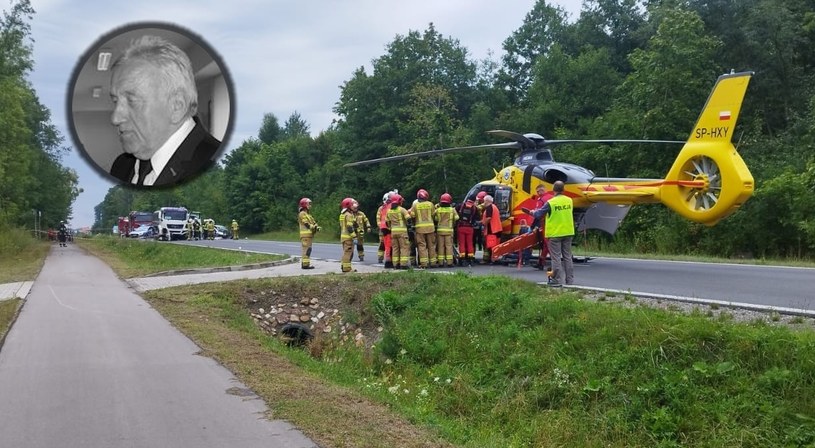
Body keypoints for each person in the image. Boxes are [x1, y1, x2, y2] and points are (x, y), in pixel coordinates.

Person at [108, 35, 221, 187]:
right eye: (115, 101)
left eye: (132, 100)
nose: (115, 118)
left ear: (177, 106)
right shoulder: (121, 166)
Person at [533, 180, 575, 286]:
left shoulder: (551, 202)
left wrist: (533, 212)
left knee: (555, 257)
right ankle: (569, 280)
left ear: (553, 190)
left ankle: (556, 280)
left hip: (555, 233)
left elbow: (538, 214)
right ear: (563, 190)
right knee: (567, 257)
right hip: (568, 231)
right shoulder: (569, 200)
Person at [409, 189, 436, 269]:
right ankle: (433, 262)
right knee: (431, 245)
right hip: (430, 228)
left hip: (420, 229)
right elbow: (433, 215)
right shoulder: (431, 204)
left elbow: (412, 216)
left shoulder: (415, 206)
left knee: (422, 246)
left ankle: (424, 264)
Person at [385, 193, 411, 270]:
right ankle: (403, 264)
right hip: (402, 232)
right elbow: (408, 219)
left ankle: (396, 264)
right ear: (399, 201)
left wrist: (391, 228)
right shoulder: (402, 210)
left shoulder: (389, 211)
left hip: (393, 232)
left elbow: (387, 222)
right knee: (404, 248)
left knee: (395, 248)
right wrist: (409, 226)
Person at [434, 193, 459, 267]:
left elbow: (435, 219)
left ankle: (441, 263)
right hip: (449, 230)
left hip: (440, 231)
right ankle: (449, 262)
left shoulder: (438, 210)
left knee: (440, 246)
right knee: (449, 246)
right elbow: (457, 218)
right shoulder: (452, 210)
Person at [298, 197, 320, 269]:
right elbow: (306, 223)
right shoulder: (302, 214)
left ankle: (306, 264)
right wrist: (312, 227)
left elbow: (313, 223)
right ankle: (305, 265)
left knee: (308, 250)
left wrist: (316, 227)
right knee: (306, 250)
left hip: (309, 235)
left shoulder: (308, 215)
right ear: (304, 205)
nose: (310, 205)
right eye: (309, 204)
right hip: (305, 235)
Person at [456, 197, 478, 266]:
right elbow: (476, 218)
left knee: (462, 243)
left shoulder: (460, 206)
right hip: (470, 228)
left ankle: (462, 259)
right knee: (470, 243)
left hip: (461, 227)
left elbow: (455, 214)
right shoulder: (475, 208)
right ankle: (470, 258)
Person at [481, 194, 503, 263]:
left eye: (484, 201)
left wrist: (483, 223)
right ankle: (494, 258)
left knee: (491, 245)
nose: (484, 203)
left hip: (492, 229)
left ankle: (492, 259)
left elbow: (489, 218)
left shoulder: (489, 207)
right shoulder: (494, 207)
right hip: (498, 229)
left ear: (487, 201)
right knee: (496, 245)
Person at [339, 198, 358, 273]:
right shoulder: (349, 215)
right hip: (348, 238)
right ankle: (347, 269)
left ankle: (344, 266)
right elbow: (349, 227)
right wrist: (354, 236)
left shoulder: (343, 214)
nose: (354, 206)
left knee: (346, 252)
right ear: (348, 205)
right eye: (352, 204)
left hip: (344, 237)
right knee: (348, 253)